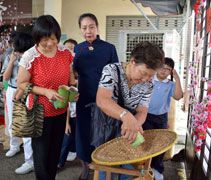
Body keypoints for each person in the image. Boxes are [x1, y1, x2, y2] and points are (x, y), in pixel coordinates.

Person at [16, 15, 76, 180]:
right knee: (41, 158)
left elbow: (70, 77)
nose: (50, 44)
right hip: (39, 112)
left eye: (53, 38)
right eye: (44, 40)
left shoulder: (65, 53)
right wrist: (45, 92)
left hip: (60, 111)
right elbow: (21, 83)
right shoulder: (30, 56)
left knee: (55, 153)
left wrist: (72, 91)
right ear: (37, 38)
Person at [96, 41, 165, 180]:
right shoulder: (111, 70)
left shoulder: (149, 83)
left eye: (151, 76)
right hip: (106, 126)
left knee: (129, 167)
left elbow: (142, 111)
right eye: (143, 73)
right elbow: (102, 100)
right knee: (105, 166)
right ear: (132, 61)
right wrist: (125, 116)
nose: (146, 79)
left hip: (129, 128)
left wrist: (135, 125)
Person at [73, 13, 119, 180]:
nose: (88, 31)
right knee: (83, 134)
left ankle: (103, 169)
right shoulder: (78, 49)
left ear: (97, 27)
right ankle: (86, 169)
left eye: (91, 27)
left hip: (105, 99)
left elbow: (116, 75)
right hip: (83, 97)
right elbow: (74, 73)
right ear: (80, 30)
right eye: (84, 28)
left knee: (104, 134)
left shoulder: (109, 48)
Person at [142, 57, 183, 180]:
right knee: (145, 144)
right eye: (162, 67)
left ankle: (158, 169)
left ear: (171, 72)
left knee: (160, 145)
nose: (164, 71)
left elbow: (177, 96)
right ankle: (145, 169)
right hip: (145, 116)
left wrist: (177, 78)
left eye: (168, 69)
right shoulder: (148, 80)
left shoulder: (170, 84)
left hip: (161, 118)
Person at [1, 32, 35, 174]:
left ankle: (30, 161)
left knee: (26, 127)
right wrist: (11, 61)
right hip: (12, 90)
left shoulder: (32, 58)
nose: (14, 49)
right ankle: (14, 146)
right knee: (12, 122)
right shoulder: (10, 56)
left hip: (27, 92)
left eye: (16, 47)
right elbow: (5, 78)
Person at [57, 39, 78, 170]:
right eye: (66, 48)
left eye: (72, 48)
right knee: (66, 134)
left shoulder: (77, 67)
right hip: (67, 111)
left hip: (78, 112)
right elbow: (66, 102)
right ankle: (59, 162)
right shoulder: (61, 68)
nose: (69, 51)